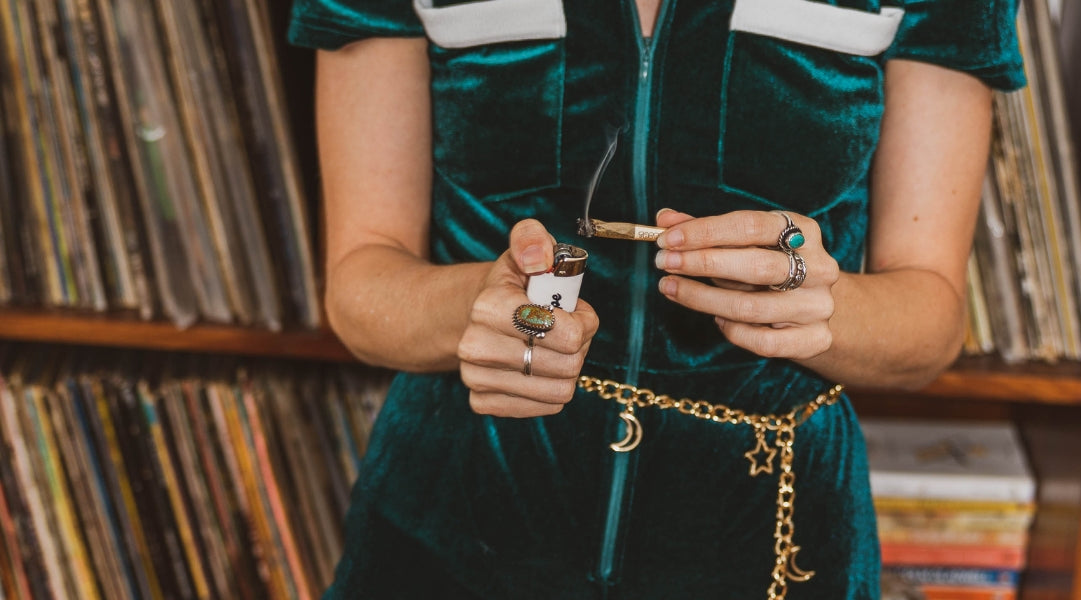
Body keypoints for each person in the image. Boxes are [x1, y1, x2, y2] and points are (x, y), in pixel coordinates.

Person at [288, 0, 1024, 598]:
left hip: (772, 542)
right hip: (451, 526)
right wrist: (475, 306)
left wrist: (821, 306)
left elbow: (930, 318)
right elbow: (360, 282)